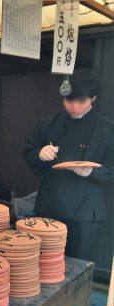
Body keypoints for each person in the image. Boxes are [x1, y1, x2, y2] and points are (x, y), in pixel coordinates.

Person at [23, 70, 114, 261]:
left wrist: (90, 171)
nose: (74, 107)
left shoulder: (106, 128)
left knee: (79, 266)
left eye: (81, 102)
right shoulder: (49, 124)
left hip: (85, 210)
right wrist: (40, 154)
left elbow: (111, 166)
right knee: (44, 262)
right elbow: (28, 150)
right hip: (50, 204)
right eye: (69, 101)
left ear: (93, 98)